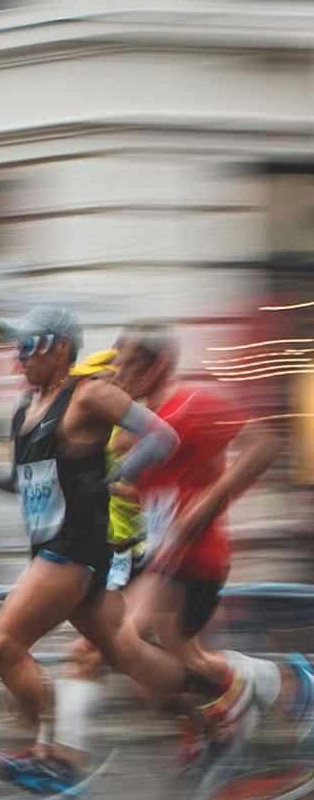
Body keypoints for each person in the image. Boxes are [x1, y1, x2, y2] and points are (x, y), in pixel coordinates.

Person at [0, 305, 190, 796]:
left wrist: (118, 474)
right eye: (16, 350)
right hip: (50, 548)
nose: (19, 359)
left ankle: (50, 756)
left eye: (28, 347)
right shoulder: (25, 408)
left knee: (3, 644)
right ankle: (213, 703)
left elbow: (163, 435)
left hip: (73, 548)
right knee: (127, 657)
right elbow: (22, 480)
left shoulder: (90, 394)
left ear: (59, 347)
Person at [108, 322, 310, 767]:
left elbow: (265, 443)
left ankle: (245, 701)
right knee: (176, 669)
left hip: (195, 556)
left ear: (158, 366)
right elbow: (155, 492)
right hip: (163, 555)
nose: (119, 376)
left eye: (127, 367)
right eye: (116, 367)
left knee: (125, 639)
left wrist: (210, 500)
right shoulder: (139, 428)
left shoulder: (193, 405)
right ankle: (240, 713)